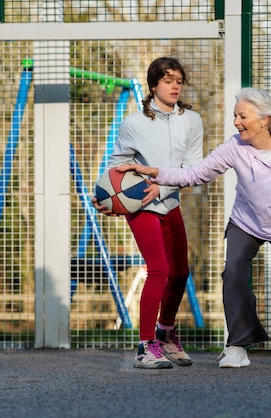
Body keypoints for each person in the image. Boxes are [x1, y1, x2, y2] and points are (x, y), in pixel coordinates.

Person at [117, 87, 271, 368]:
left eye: (242, 116)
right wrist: (157, 172)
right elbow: (196, 173)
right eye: (234, 116)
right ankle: (237, 346)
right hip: (246, 223)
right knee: (233, 275)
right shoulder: (235, 146)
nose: (236, 121)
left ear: (264, 119)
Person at [92, 57, 203, 369]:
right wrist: (105, 199)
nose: (174, 86)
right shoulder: (134, 123)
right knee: (159, 270)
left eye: (179, 81)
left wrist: (164, 187)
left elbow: (193, 167)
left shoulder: (192, 120)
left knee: (180, 272)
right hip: (141, 203)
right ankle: (145, 347)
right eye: (168, 81)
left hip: (170, 200)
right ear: (154, 85)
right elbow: (116, 167)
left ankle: (166, 334)